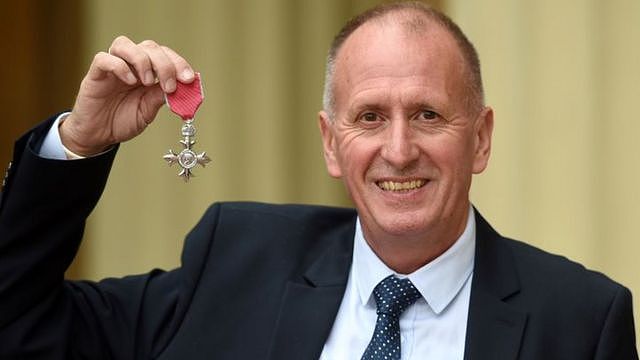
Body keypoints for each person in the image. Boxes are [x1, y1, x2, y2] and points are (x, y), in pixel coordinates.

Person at [0, 2, 637, 359]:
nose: (398, 149)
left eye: (427, 114)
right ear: (332, 144)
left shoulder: (579, 322)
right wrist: (79, 144)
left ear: (482, 138)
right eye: (368, 117)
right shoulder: (238, 262)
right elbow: (20, 325)